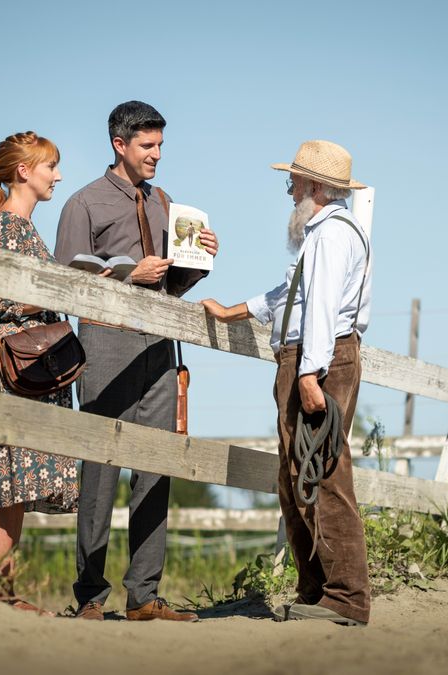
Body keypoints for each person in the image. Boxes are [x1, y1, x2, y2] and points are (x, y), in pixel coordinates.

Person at [53, 101, 218, 622]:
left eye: (160, 146)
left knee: (157, 468)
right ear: (119, 145)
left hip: (160, 347)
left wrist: (198, 262)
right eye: (148, 146)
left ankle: (144, 596)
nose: (156, 156)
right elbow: (65, 282)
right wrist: (127, 276)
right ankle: (90, 599)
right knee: (100, 468)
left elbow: (172, 285)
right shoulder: (83, 204)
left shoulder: (167, 203)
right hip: (104, 344)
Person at [201, 140, 372, 626]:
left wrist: (309, 371)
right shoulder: (325, 235)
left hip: (319, 359)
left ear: (315, 186)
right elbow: (292, 292)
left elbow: (318, 307)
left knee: (321, 472)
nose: (289, 189)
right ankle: (318, 590)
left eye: (294, 181)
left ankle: (345, 596)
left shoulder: (331, 236)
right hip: (314, 357)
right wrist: (241, 309)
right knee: (297, 474)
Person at [0, 131, 79, 617]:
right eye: (50, 166)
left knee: (10, 480)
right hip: (18, 364)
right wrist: (68, 290)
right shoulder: (8, 228)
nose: (57, 175)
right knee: (2, 480)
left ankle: (2, 592)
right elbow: (3, 300)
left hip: (32, 364)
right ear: (24, 171)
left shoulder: (19, 227)